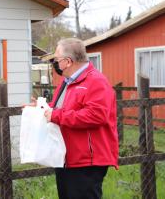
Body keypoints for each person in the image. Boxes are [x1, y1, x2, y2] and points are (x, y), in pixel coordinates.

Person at [30, 38, 118, 199]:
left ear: (68, 61)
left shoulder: (96, 81)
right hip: (66, 155)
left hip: (87, 160)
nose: (54, 63)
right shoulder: (67, 82)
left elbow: (97, 115)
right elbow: (60, 108)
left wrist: (56, 115)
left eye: (56, 60)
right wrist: (41, 107)